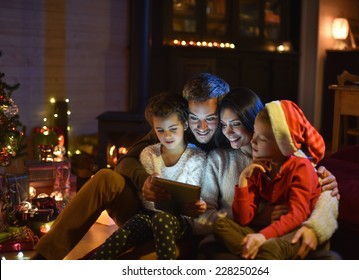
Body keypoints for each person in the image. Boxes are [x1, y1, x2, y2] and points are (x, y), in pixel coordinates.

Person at [31, 73, 338, 259]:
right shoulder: (176, 125)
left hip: (184, 227)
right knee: (105, 178)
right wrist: (142, 180)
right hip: (142, 209)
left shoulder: (239, 139)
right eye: (194, 118)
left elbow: (296, 162)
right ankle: (44, 258)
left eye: (212, 119)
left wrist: (323, 179)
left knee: (147, 260)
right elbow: (126, 159)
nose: (202, 128)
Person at [197, 88, 339, 260]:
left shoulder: (291, 157)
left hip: (284, 233)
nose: (227, 132)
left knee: (329, 259)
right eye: (223, 124)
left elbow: (321, 199)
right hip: (246, 231)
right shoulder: (220, 160)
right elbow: (204, 216)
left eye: (235, 124)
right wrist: (259, 216)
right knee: (210, 247)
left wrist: (313, 229)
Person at [89, 93, 206, 260]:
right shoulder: (149, 154)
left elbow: (196, 192)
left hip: (180, 221)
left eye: (173, 129)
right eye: (160, 130)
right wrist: (149, 188)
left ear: (185, 125)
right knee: (119, 238)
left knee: (162, 220)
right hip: (148, 214)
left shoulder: (196, 157)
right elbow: (144, 195)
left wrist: (198, 205)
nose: (167, 136)